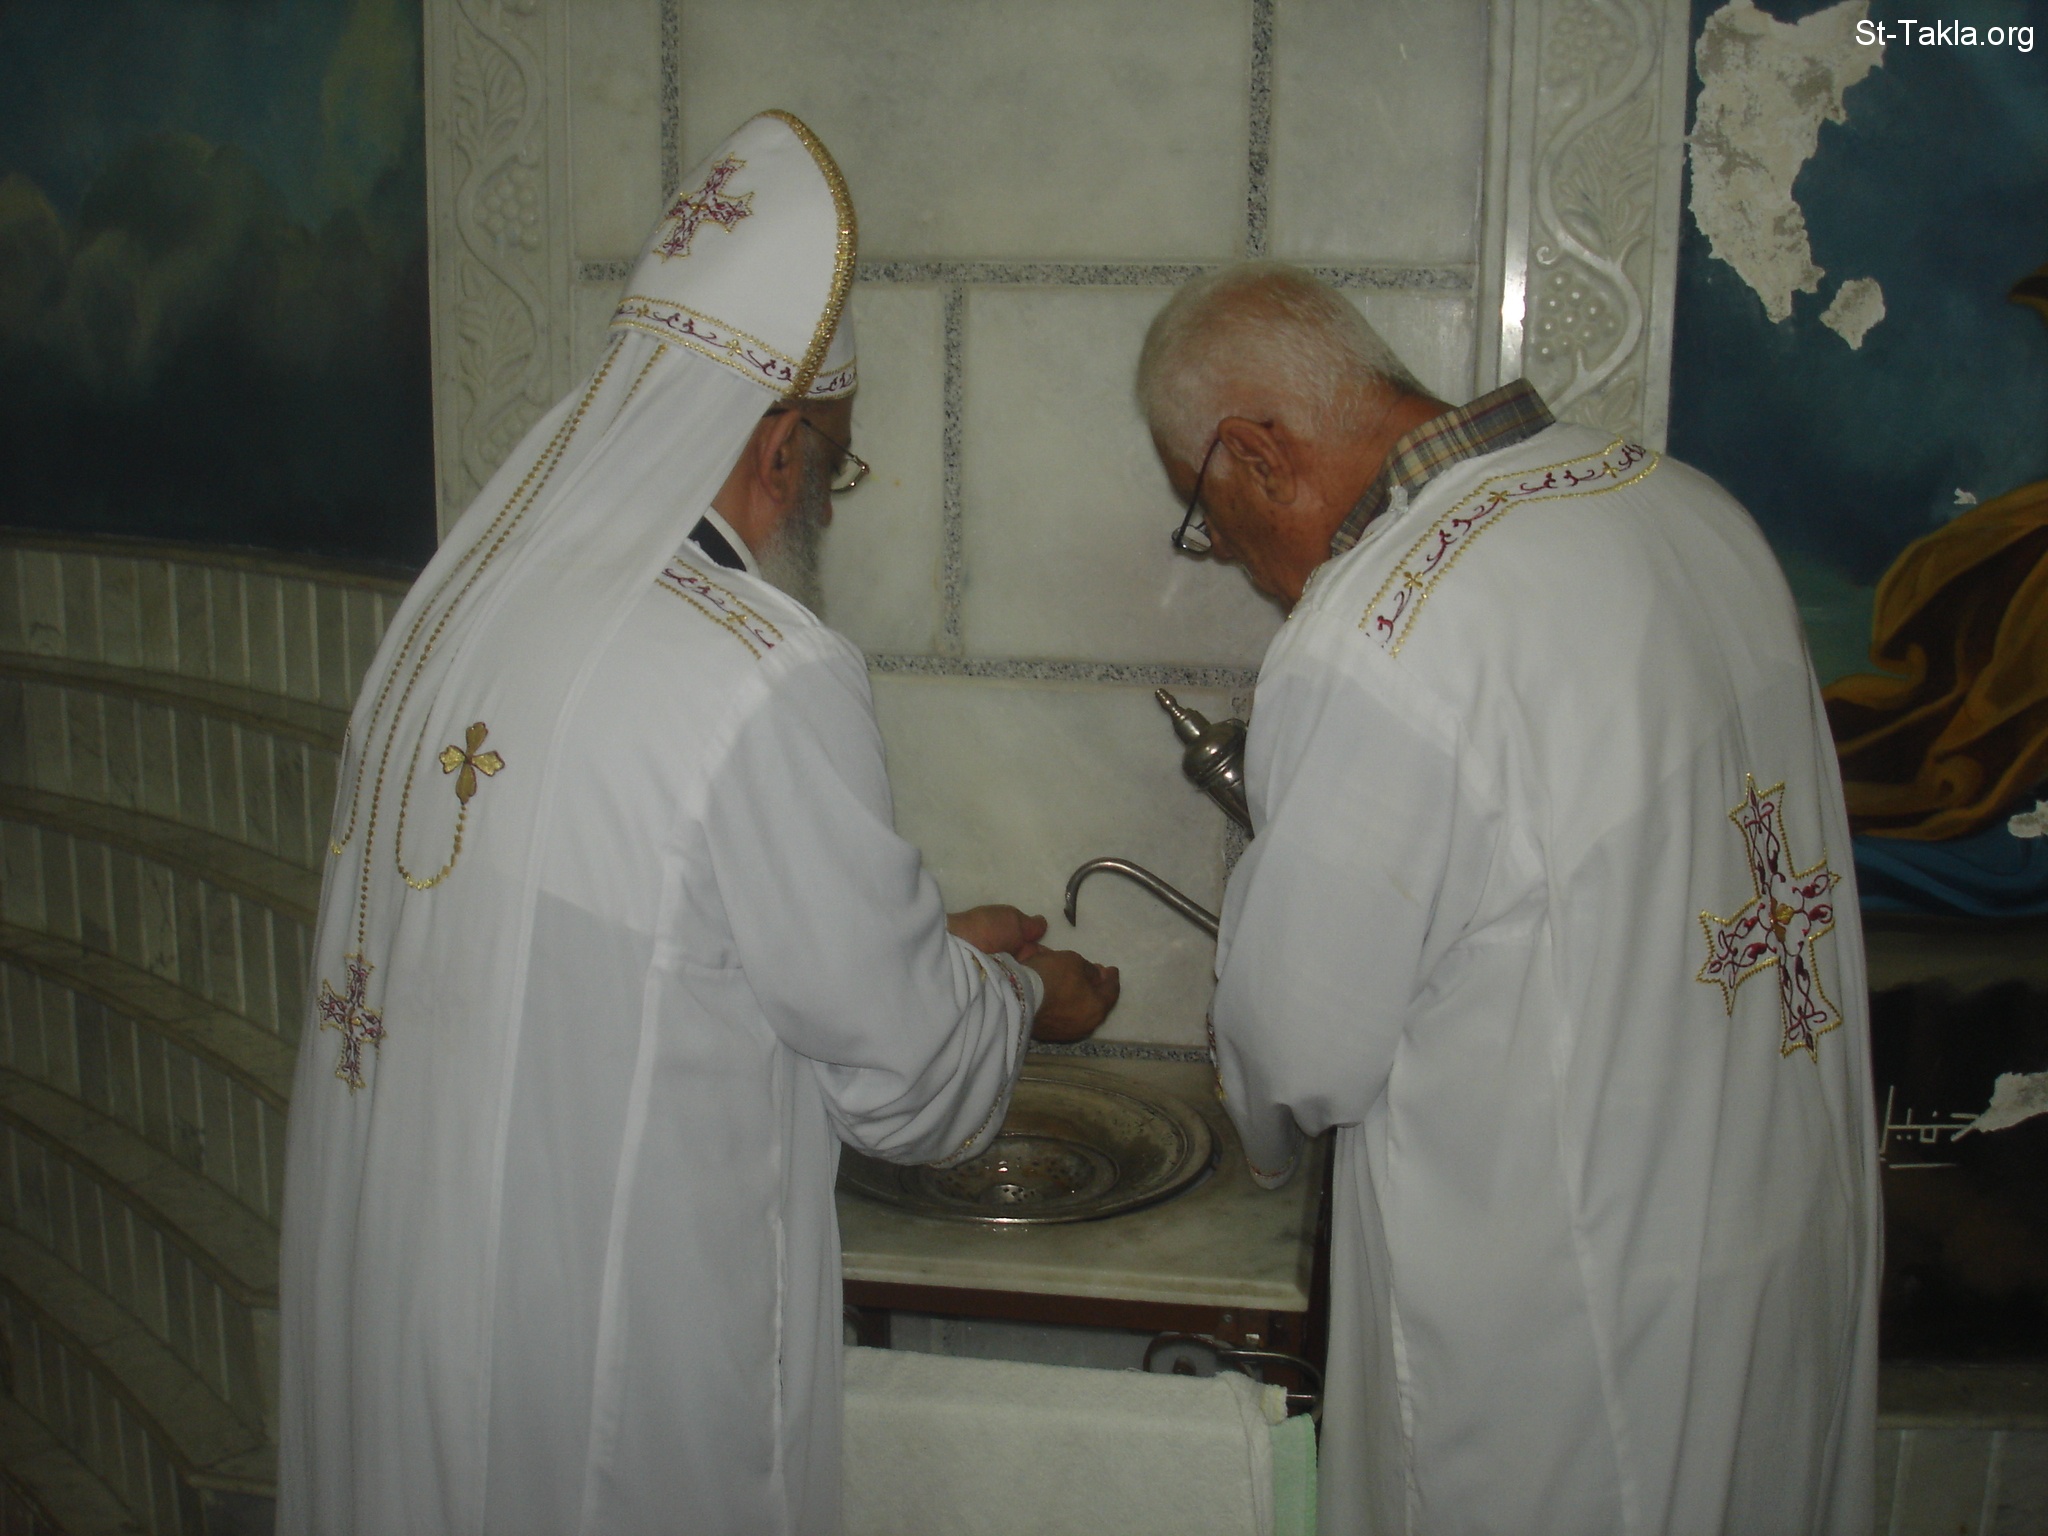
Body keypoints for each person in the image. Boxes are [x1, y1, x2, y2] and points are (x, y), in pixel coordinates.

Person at [276, 112, 1118, 1536]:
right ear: (782, 446)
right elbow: (909, 1078)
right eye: (838, 467)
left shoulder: (460, 610)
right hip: (606, 1371)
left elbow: (678, 943)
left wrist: (935, 951)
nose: (824, 508)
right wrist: (1024, 995)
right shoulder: (758, 669)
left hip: (423, 1305)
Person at [1136, 263, 1878, 1535]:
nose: (1238, 564)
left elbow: (1298, 1045)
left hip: (1569, 1352)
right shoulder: (1686, 506)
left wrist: (1255, 1134)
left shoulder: (1384, 629)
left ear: (1255, 455)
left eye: (1206, 518)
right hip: (1772, 1260)